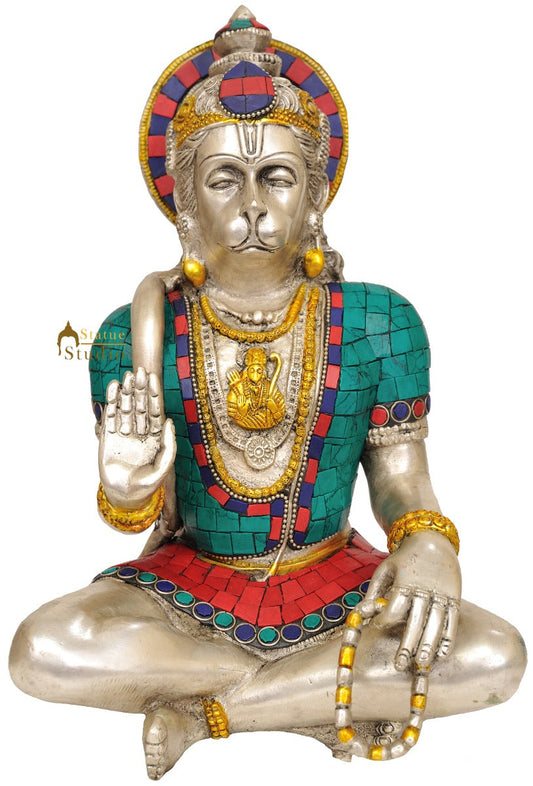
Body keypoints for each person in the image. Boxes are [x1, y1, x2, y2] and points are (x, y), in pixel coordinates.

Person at [9, 7, 526, 781]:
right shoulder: (134, 332)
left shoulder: (377, 321)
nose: (252, 206)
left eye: (276, 178)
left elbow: (403, 484)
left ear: (314, 197)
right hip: (188, 587)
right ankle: (315, 692)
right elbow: (139, 517)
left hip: (334, 577)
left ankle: (212, 713)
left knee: (494, 656)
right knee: (43, 649)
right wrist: (123, 487)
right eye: (224, 179)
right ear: (186, 203)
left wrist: (426, 546)